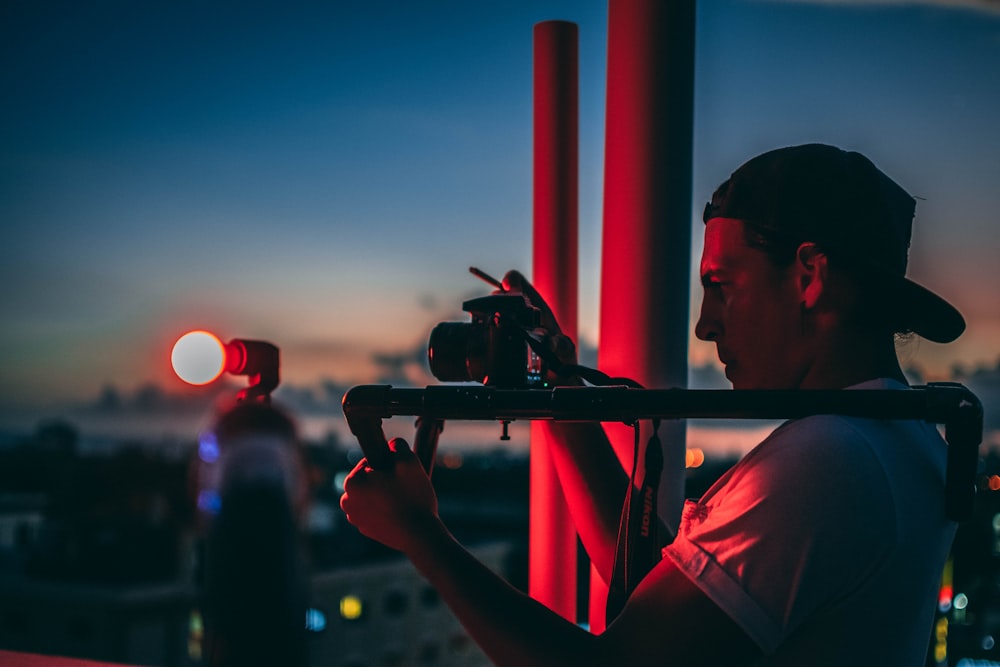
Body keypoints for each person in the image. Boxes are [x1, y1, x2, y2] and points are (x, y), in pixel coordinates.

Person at [340, 143, 965, 665]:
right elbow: (661, 609)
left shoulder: (830, 460)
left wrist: (423, 536)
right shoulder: (902, 439)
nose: (703, 325)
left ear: (808, 277)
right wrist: (561, 393)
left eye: (719, 286)